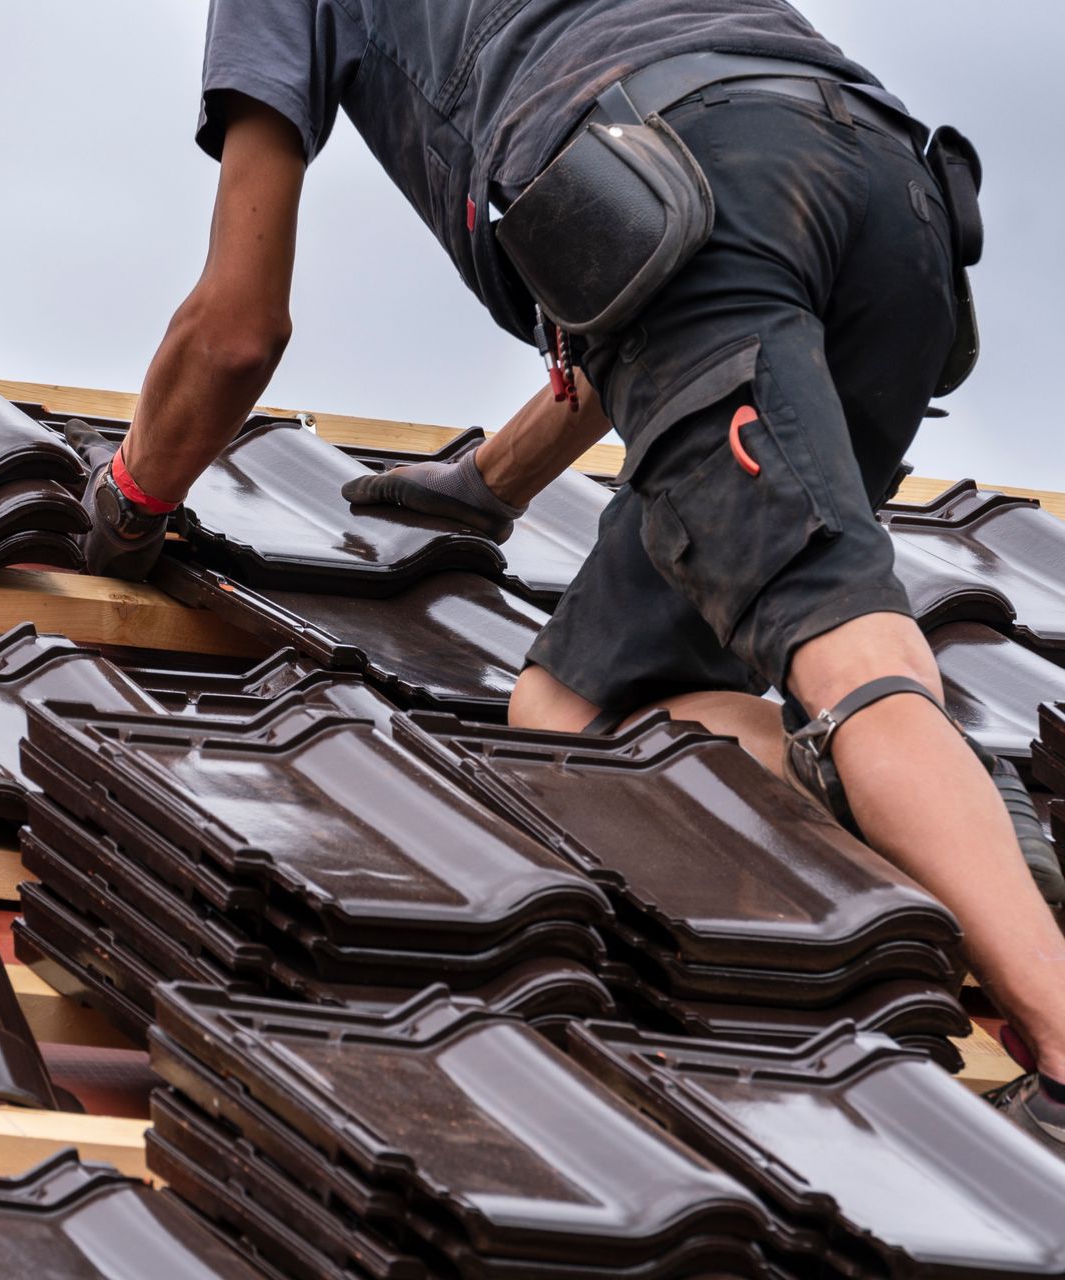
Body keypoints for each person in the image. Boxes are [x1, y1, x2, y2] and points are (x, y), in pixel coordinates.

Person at [69, 0, 1065, 1154]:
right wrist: (494, 482)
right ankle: (899, 800)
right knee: (576, 710)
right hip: (894, 199)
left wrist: (133, 495)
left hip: (705, 199)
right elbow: (645, 264)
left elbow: (238, 329)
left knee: (842, 644)